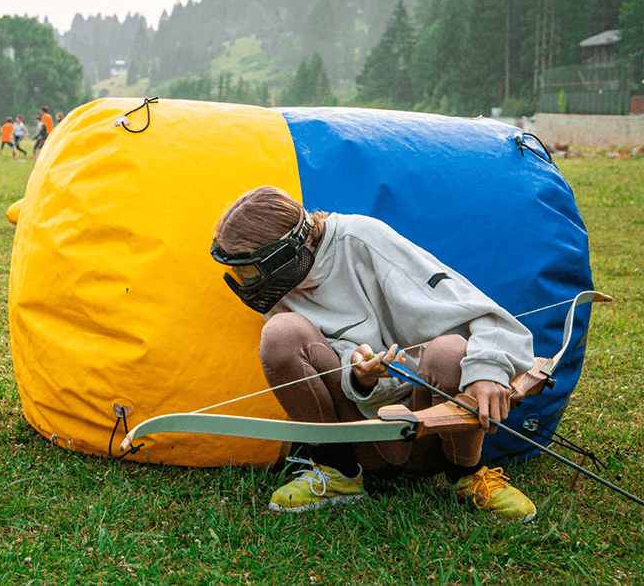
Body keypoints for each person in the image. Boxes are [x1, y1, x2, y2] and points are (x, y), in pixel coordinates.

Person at [210, 186, 537, 522]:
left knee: (450, 350)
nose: (247, 284)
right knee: (280, 335)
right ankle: (337, 473)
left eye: (249, 271)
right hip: (358, 440)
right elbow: (329, 365)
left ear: (286, 254)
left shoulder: (363, 239)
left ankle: (467, 474)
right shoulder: (278, 285)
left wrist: (487, 372)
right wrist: (360, 377)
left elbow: (489, 318)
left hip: (427, 433)